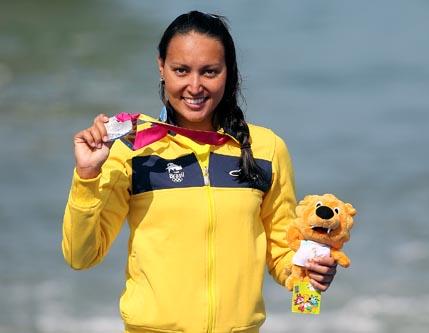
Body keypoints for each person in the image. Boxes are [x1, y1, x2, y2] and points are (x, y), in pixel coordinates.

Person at [62, 11, 337, 333]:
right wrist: (87, 175)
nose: (194, 86)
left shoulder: (266, 149)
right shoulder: (132, 149)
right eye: (181, 70)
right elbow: (81, 256)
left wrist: (309, 277)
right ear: (161, 67)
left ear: (228, 72)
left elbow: (281, 248)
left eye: (209, 72)